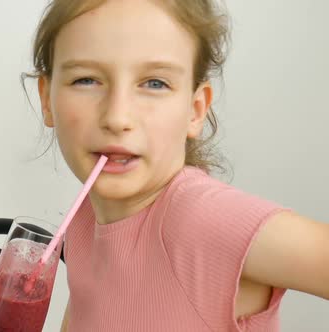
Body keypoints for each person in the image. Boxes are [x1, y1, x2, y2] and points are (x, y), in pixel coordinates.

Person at [24, 0, 329, 330]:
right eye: (86, 80)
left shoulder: (200, 219)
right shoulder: (84, 217)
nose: (117, 117)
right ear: (47, 99)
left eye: (155, 83)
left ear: (195, 110)